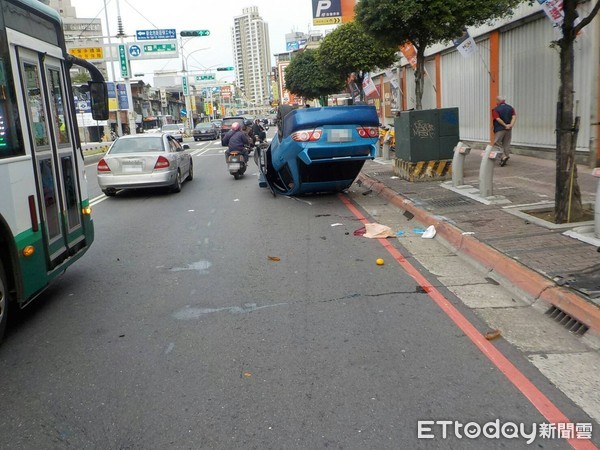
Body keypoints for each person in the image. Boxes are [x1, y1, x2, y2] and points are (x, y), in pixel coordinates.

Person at [492, 95, 517, 166]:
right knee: (506, 143)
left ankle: (503, 157)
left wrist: (504, 125)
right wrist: (510, 125)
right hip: (509, 129)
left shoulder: (496, 109)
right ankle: (506, 156)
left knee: (497, 143)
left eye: (496, 100)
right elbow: (514, 117)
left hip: (499, 129)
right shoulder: (511, 108)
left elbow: (497, 119)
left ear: (498, 101)